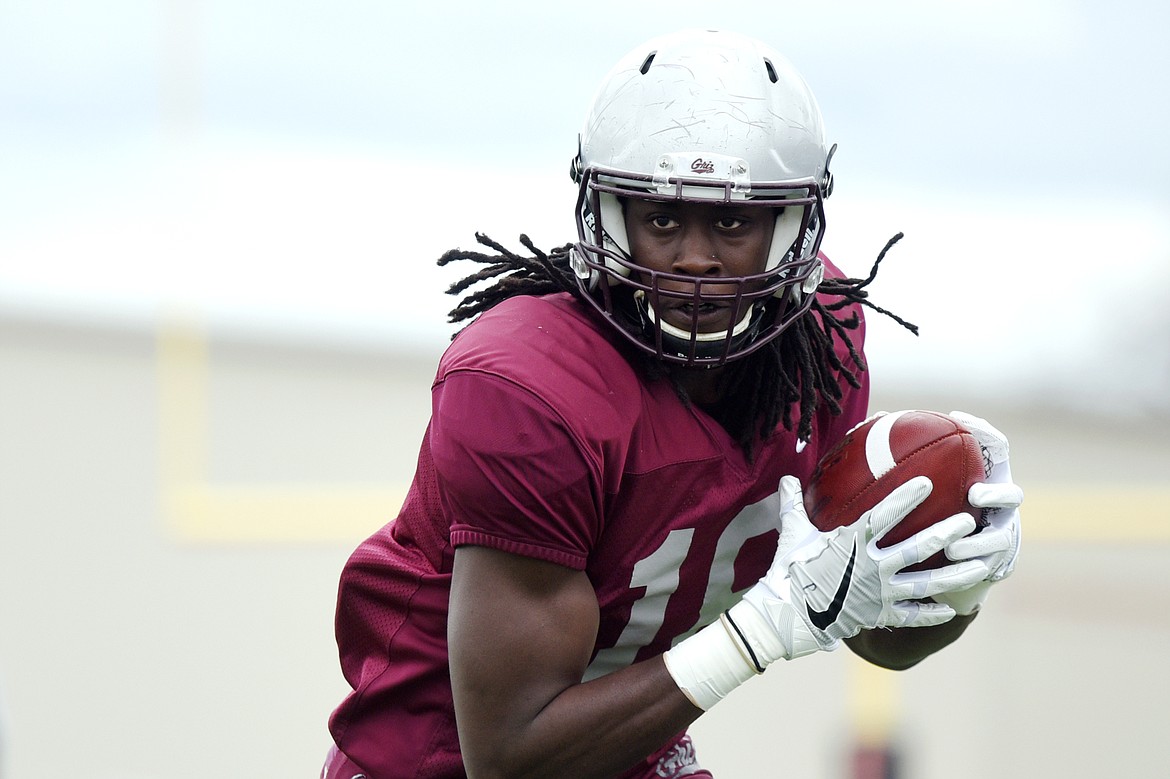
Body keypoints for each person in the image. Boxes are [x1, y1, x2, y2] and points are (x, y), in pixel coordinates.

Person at [321, 29, 1022, 779]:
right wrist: (756, 632)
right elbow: (511, 754)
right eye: (661, 219)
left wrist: (951, 576)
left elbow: (865, 629)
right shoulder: (529, 391)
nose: (694, 258)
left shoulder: (819, 349)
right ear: (608, 218)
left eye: (730, 221)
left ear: (790, 228)